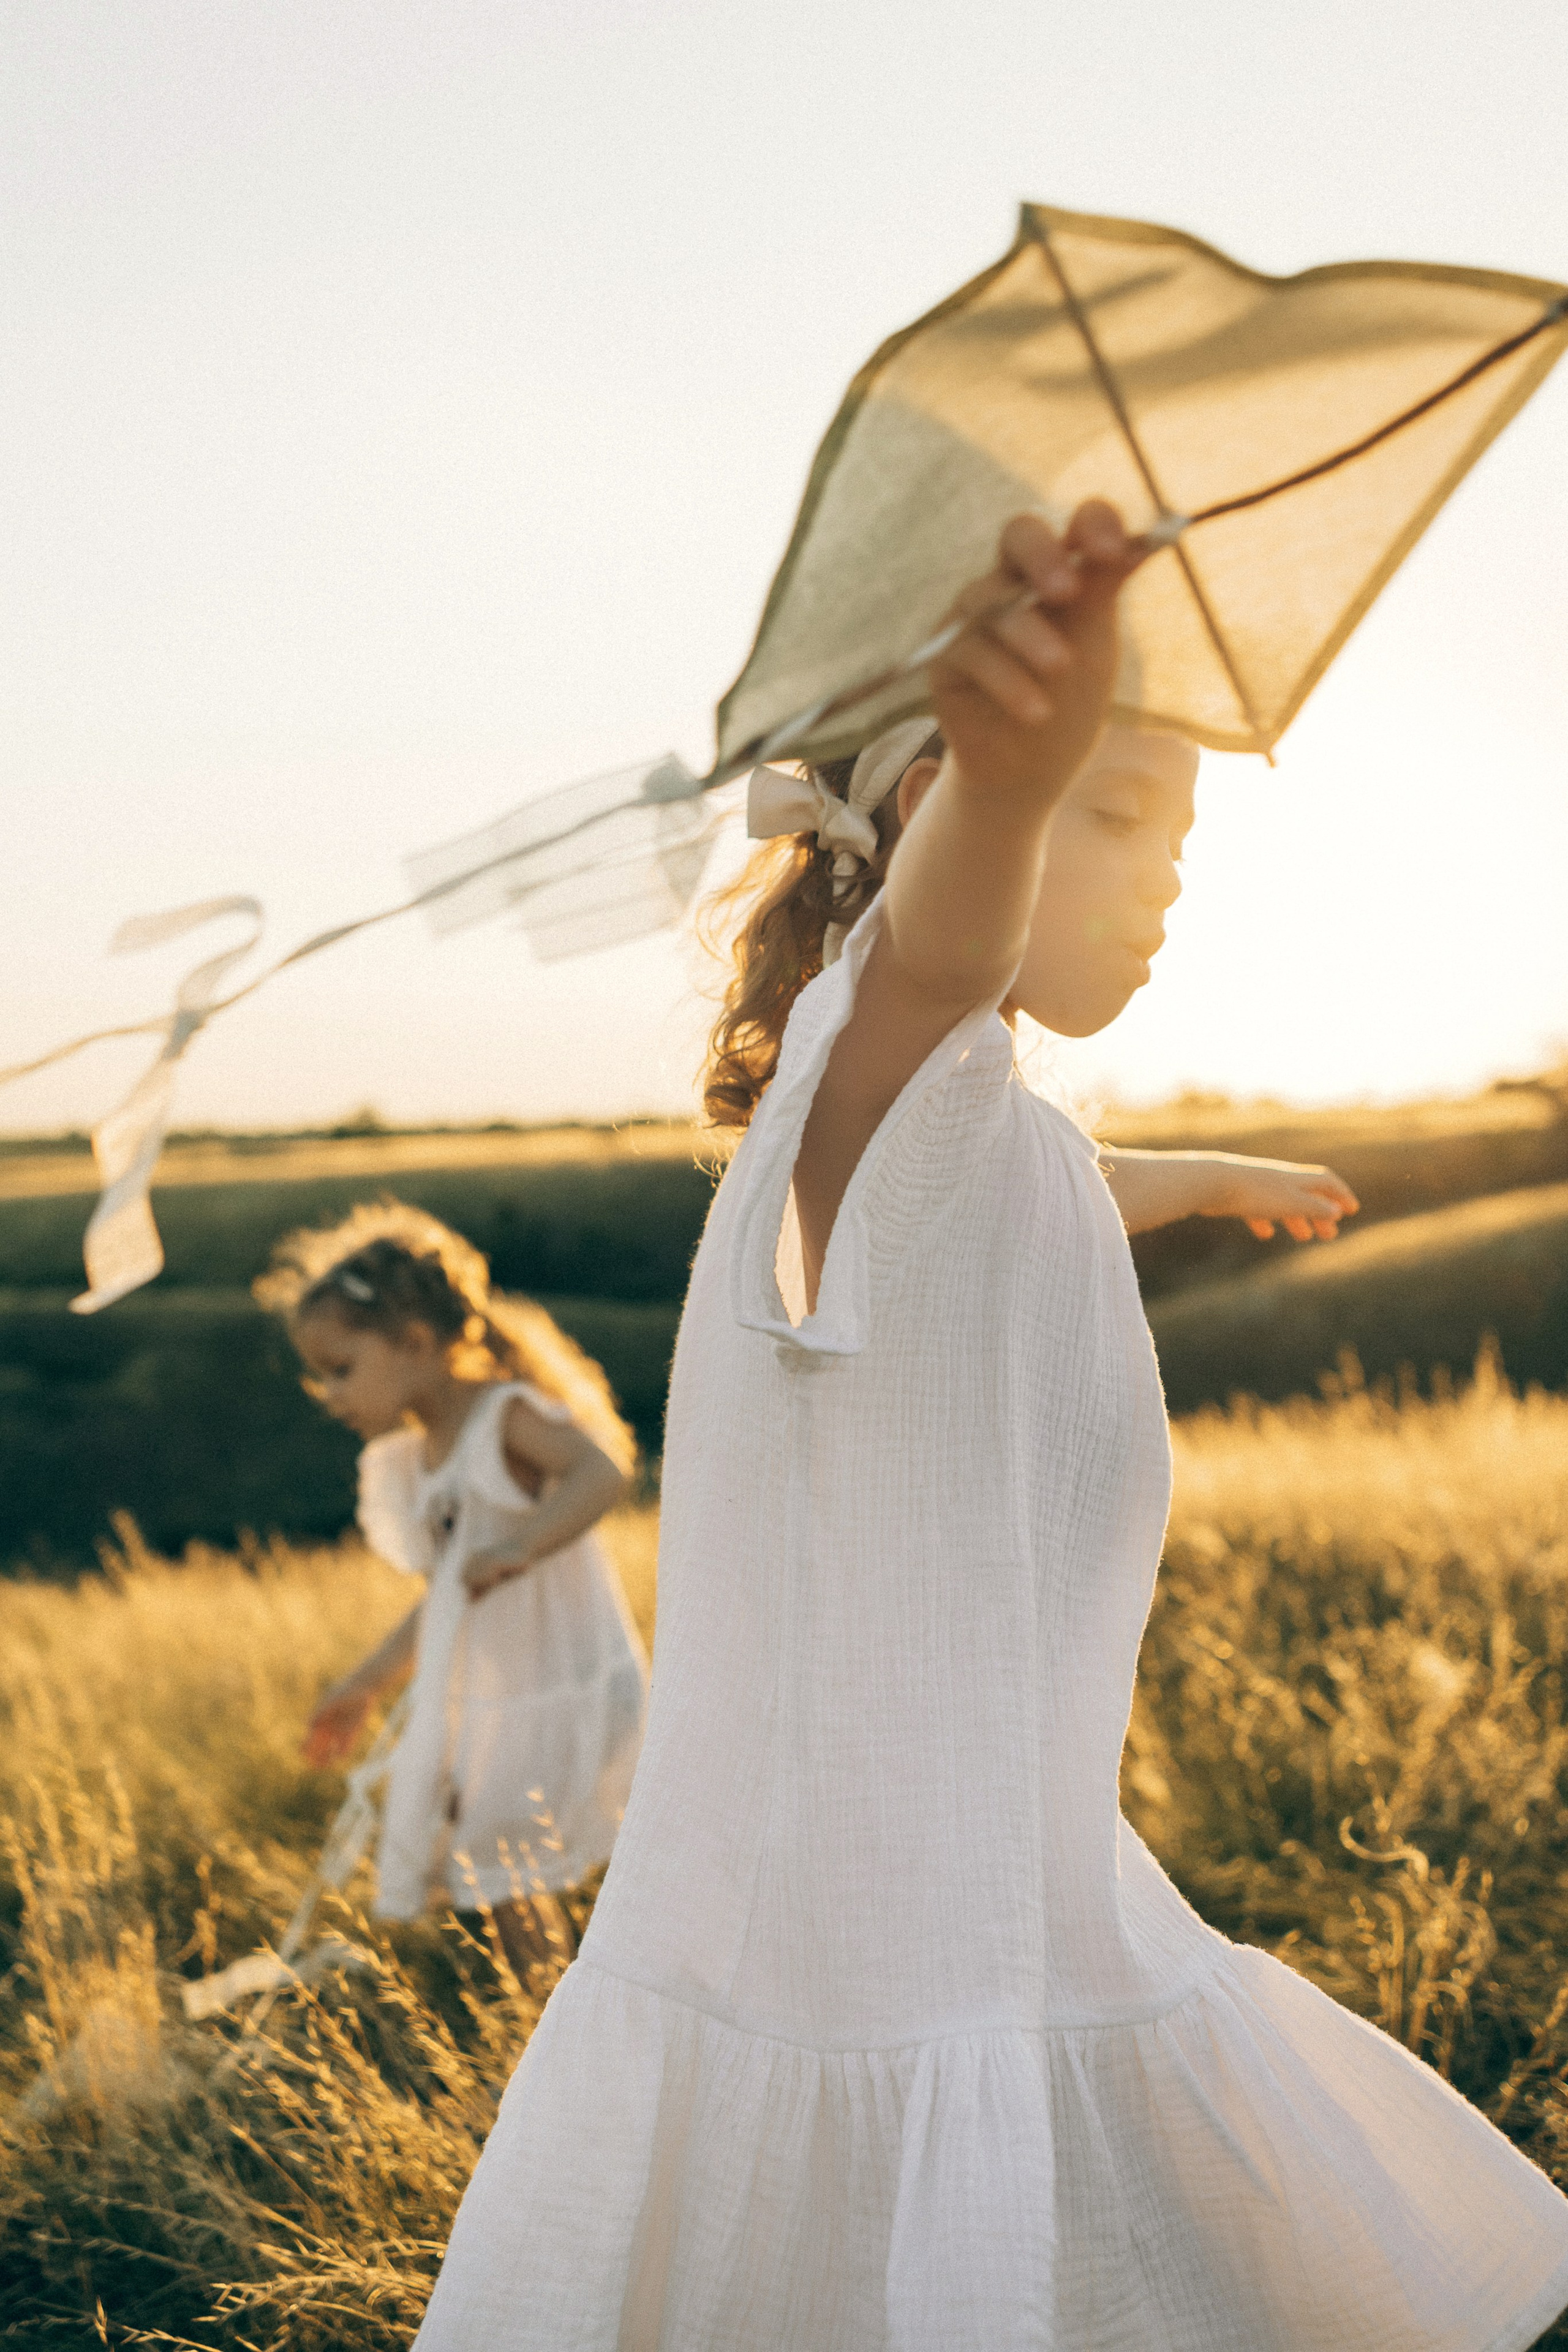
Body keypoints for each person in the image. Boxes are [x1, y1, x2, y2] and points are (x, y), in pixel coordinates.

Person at [413, 507, 1568, 2350]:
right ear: (940, 799)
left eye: (1179, 835)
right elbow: (945, 966)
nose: (1168, 873)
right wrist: (1015, 798)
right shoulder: (879, 1061)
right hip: (861, 1902)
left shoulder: (970, 1133)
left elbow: (1033, 1195)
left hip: (997, 1838)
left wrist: (1195, 1177)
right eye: (1126, 815)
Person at [256, 1200, 647, 1989]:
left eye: (341, 1368)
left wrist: (521, 1544)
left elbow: (603, 1472)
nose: (329, 1394)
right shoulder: (414, 1458)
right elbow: (443, 1599)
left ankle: (554, 2019)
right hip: (503, 1702)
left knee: (506, 1858)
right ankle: (549, 2015)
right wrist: (363, 1684)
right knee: (504, 1865)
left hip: (559, 1688)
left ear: (415, 1342)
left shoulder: (503, 1416)